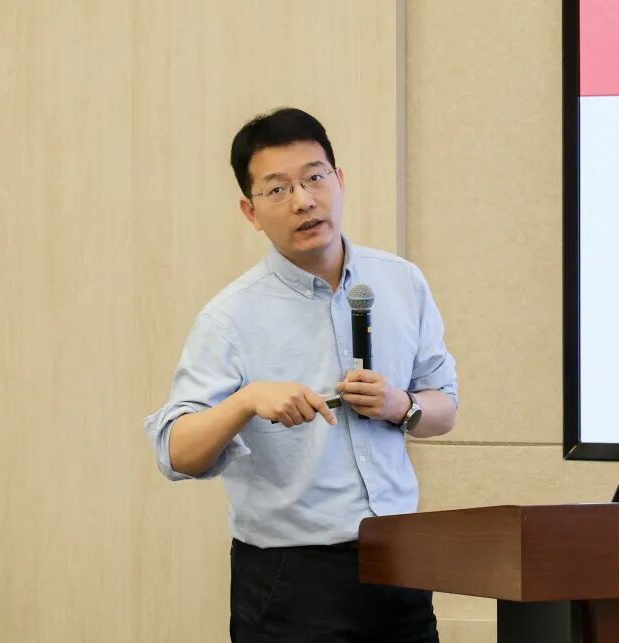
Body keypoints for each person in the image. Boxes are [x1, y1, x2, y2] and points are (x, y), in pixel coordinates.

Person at [143, 107, 458, 643]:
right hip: (293, 578)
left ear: (340, 180)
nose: (303, 200)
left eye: (315, 177)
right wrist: (244, 401)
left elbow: (444, 409)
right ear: (251, 211)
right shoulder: (230, 316)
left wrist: (401, 405)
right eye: (278, 189)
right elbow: (174, 451)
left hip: (402, 560)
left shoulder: (401, 282)